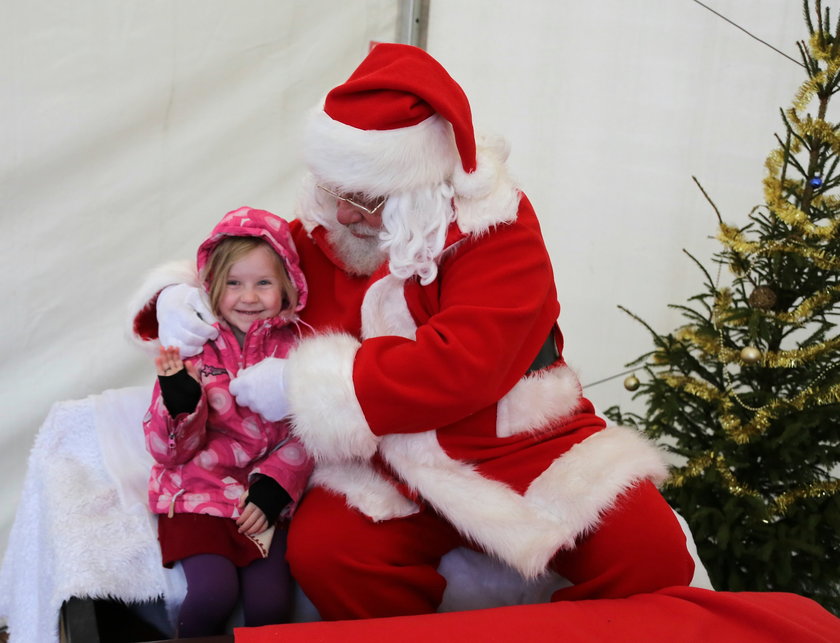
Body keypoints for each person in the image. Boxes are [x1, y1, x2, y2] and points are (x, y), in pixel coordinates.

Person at [130, 43, 694, 620]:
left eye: (366, 198)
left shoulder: (496, 228)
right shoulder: (337, 222)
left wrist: (307, 385)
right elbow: (252, 266)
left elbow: (465, 363)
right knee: (331, 555)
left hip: (516, 441)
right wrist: (178, 292)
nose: (345, 213)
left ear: (422, 186)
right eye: (336, 190)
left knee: (652, 560)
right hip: (385, 459)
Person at [142, 206, 313, 636]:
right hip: (197, 494)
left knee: (271, 604)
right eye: (234, 284)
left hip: (258, 504)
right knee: (212, 594)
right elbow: (166, 451)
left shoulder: (297, 350)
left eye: (263, 283)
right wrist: (182, 402)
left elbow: (308, 430)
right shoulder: (191, 348)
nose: (248, 297)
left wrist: (276, 486)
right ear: (213, 285)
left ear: (288, 286)